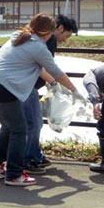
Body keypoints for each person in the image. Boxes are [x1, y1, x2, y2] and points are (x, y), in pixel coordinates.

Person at [0, 13, 86, 186]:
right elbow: (56, 72)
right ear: (48, 32)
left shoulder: (18, 36)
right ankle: (14, 174)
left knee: (9, 126)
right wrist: (74, 91)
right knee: (20, 130)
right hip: (2, 89)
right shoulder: (38, 47)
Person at [22, 14, 78, 175]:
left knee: (32, 122)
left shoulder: (35, 39)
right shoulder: (49, 39)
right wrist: (55, 83)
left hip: (27, 85)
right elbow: (43, 66)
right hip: (27, 86)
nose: (65, 39)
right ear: (59, 28)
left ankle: (33, 155)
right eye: (66, 35)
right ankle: (28, 159)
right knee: (33, 123)